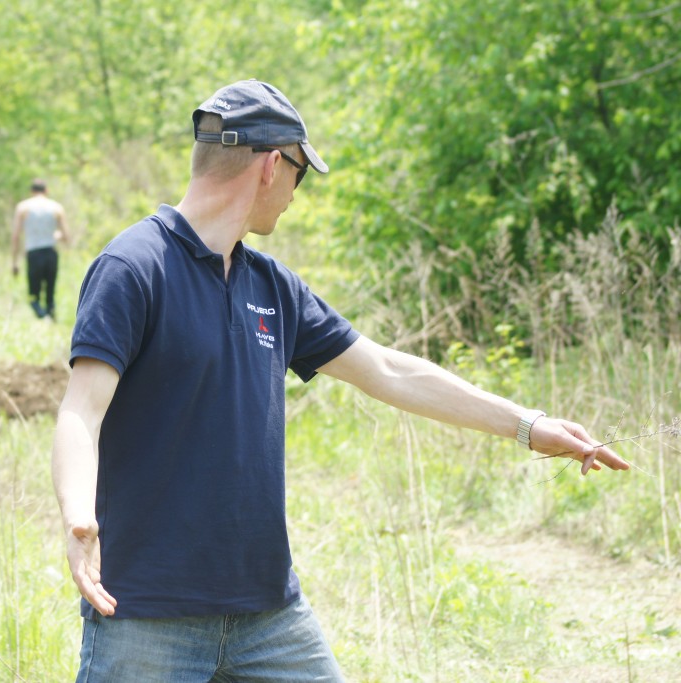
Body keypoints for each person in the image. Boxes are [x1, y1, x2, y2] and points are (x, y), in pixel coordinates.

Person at [51, 79, 629, 682]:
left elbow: (388, 370)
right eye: (301, 175)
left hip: (267, 616)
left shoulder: (272, 286)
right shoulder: (133, 267)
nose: (295, 195)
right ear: (273, 165)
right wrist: (78, 517)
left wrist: (528, 425)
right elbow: (79, 412)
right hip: (146, 615)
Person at [11, 179, 68, 319]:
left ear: (32, 191)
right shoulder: (56, 207)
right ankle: (49, 317)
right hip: (51, 252)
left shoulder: (23, 207)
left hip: (34, 253)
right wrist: (54, 235)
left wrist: (14, 262)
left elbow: (16, 236)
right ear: (46, 190)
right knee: (50, 293)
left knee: (33, 296)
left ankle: (43, 317)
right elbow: (65, 236)